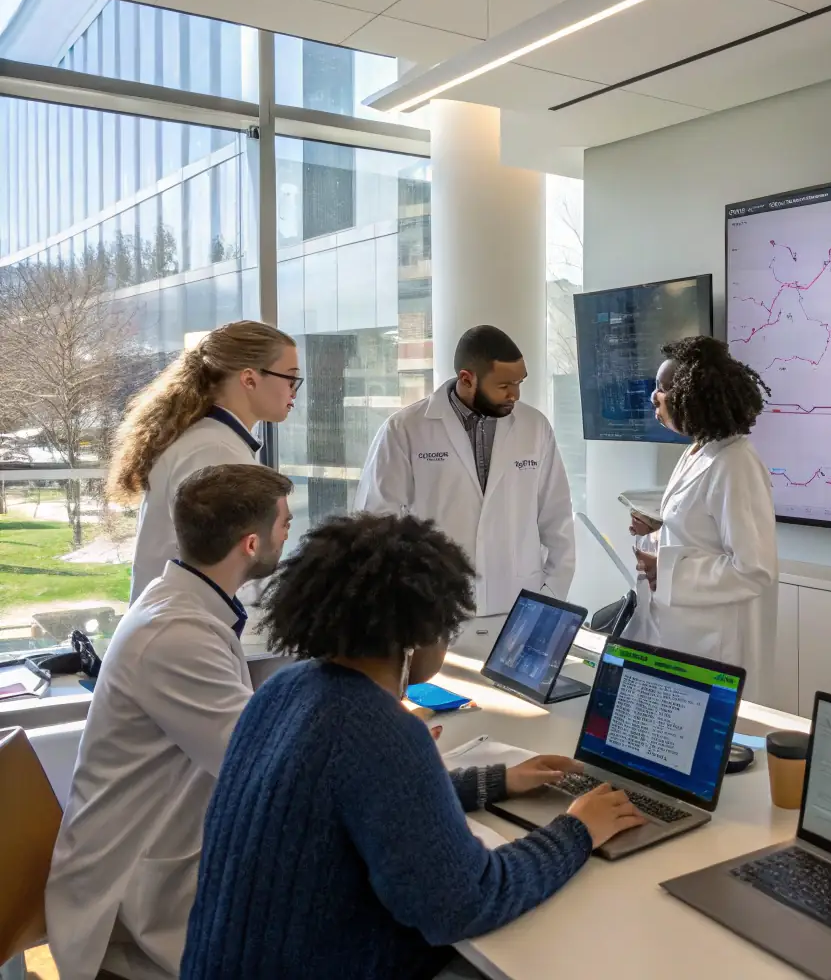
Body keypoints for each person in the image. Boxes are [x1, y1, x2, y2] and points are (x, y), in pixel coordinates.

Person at [180, 513, 644, 980]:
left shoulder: (286, 689)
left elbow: (365, 802)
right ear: (421, 633)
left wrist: (493, 781)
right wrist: (577, 830)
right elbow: (465, 903)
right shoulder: (378, 727)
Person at [46, 464, 294, 980]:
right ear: (251, 544)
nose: (289, 532)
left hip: (162, 850)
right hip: (130, 901)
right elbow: (258, 767)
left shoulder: (187, 607)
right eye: (284, 523)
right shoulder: (176, 636)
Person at [354, 325, 574, 616]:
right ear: (467, 379)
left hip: (517, 602)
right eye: (504, 385)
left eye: (519, 382)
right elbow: (378, 522)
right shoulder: (405, 429)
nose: (515, 395)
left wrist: (551, 595)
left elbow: (557, 519)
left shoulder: (535, 427)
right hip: (434, 606)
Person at [108, 320, 299, 606]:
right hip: (185, 623)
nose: (294, 391)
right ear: (249, 379)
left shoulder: (211, 440)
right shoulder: (214, 451)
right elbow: (228, 565)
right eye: (290, 378)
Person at [627, 336, 779, 673]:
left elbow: (753, 570)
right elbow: (700, 533)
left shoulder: (735, 463)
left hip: (716, 643)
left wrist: (663, 569)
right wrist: (658, 529)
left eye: (663, 387)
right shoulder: (699, 449)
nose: (655, 396)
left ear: (689, 396)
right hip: (681, 632)